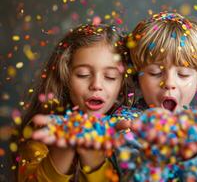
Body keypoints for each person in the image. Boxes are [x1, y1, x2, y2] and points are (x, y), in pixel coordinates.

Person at [114, 12, 197, 181]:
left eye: (183, 74)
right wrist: (156, 151)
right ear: (138, 77)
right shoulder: (126, 122)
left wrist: (192, 153)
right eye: (155, 72)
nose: (169, 83)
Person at [16, 24, 132, 181]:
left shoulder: (130, 133)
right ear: (65, 77)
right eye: (83, 74)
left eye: (110, 76)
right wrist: (61, 152)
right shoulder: (43, 131)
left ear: (122, 84)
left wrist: (94, 163)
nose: (96, 85)